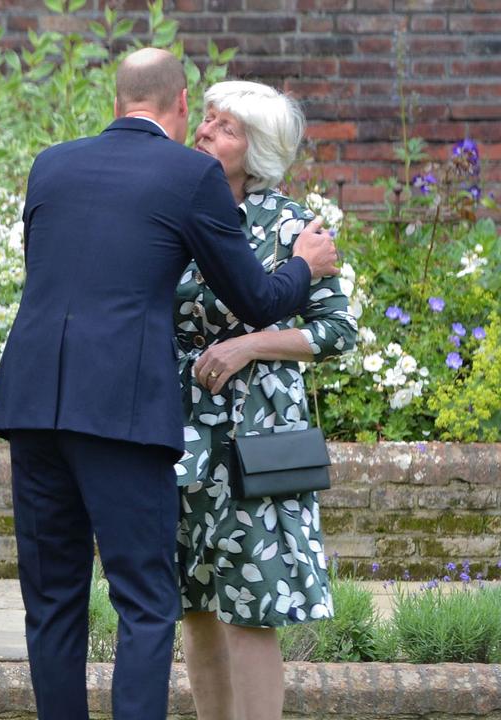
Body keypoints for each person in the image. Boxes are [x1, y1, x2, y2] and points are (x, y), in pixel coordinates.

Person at [0, 48, 339, 720]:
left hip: (31, 403)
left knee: (52, 602)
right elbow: (259, 298)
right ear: (179, 105)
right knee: (146, 600)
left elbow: (62, 275)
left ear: (115, 100)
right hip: (120, 411)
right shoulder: (188, 175)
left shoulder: (51, 164)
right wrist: (303, 266)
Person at [174, 80, 356, 720]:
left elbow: (337, 330)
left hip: (258, 441)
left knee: (253, 607)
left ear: (257, 151)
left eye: (224, 127)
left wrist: (250, 347)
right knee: (193, 603)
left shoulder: (294, 225)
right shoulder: (177, 211)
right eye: (206, 119)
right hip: (184, 438)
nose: (203, 130)